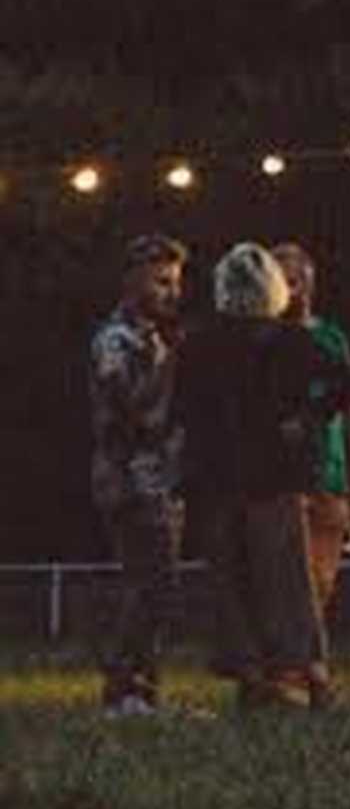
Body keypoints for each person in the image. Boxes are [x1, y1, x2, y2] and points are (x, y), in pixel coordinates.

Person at [183, 241, 350, 708]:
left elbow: (184, 412)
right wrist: (306, 418)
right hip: (274, 477)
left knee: (235, 581)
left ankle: (257, 675)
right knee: (287, 581)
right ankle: (306, 674)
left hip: (220, 478)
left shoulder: (200, 340)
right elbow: (346, 387)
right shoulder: (289, 338)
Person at [85, 237, 190, 715]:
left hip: (161, 480)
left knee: (160, 586)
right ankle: (123, 689)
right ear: (132, 279)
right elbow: (131, 413)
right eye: (162, 281)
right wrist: (172, 373)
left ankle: (144, 689)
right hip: (131, 480)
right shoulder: (115, 340)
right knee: (144, 583)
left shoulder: (155, 337)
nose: (173, 292)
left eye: (176, 282)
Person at [274, 243, 350, 647]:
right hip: (279, 475)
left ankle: (308, 660)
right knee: (284, 576)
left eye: (299, 280)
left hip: (327, 472)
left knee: (321, 576)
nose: (295, 290)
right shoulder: (265, 340)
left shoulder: (330, 337)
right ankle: (292, 666)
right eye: (284, 281)